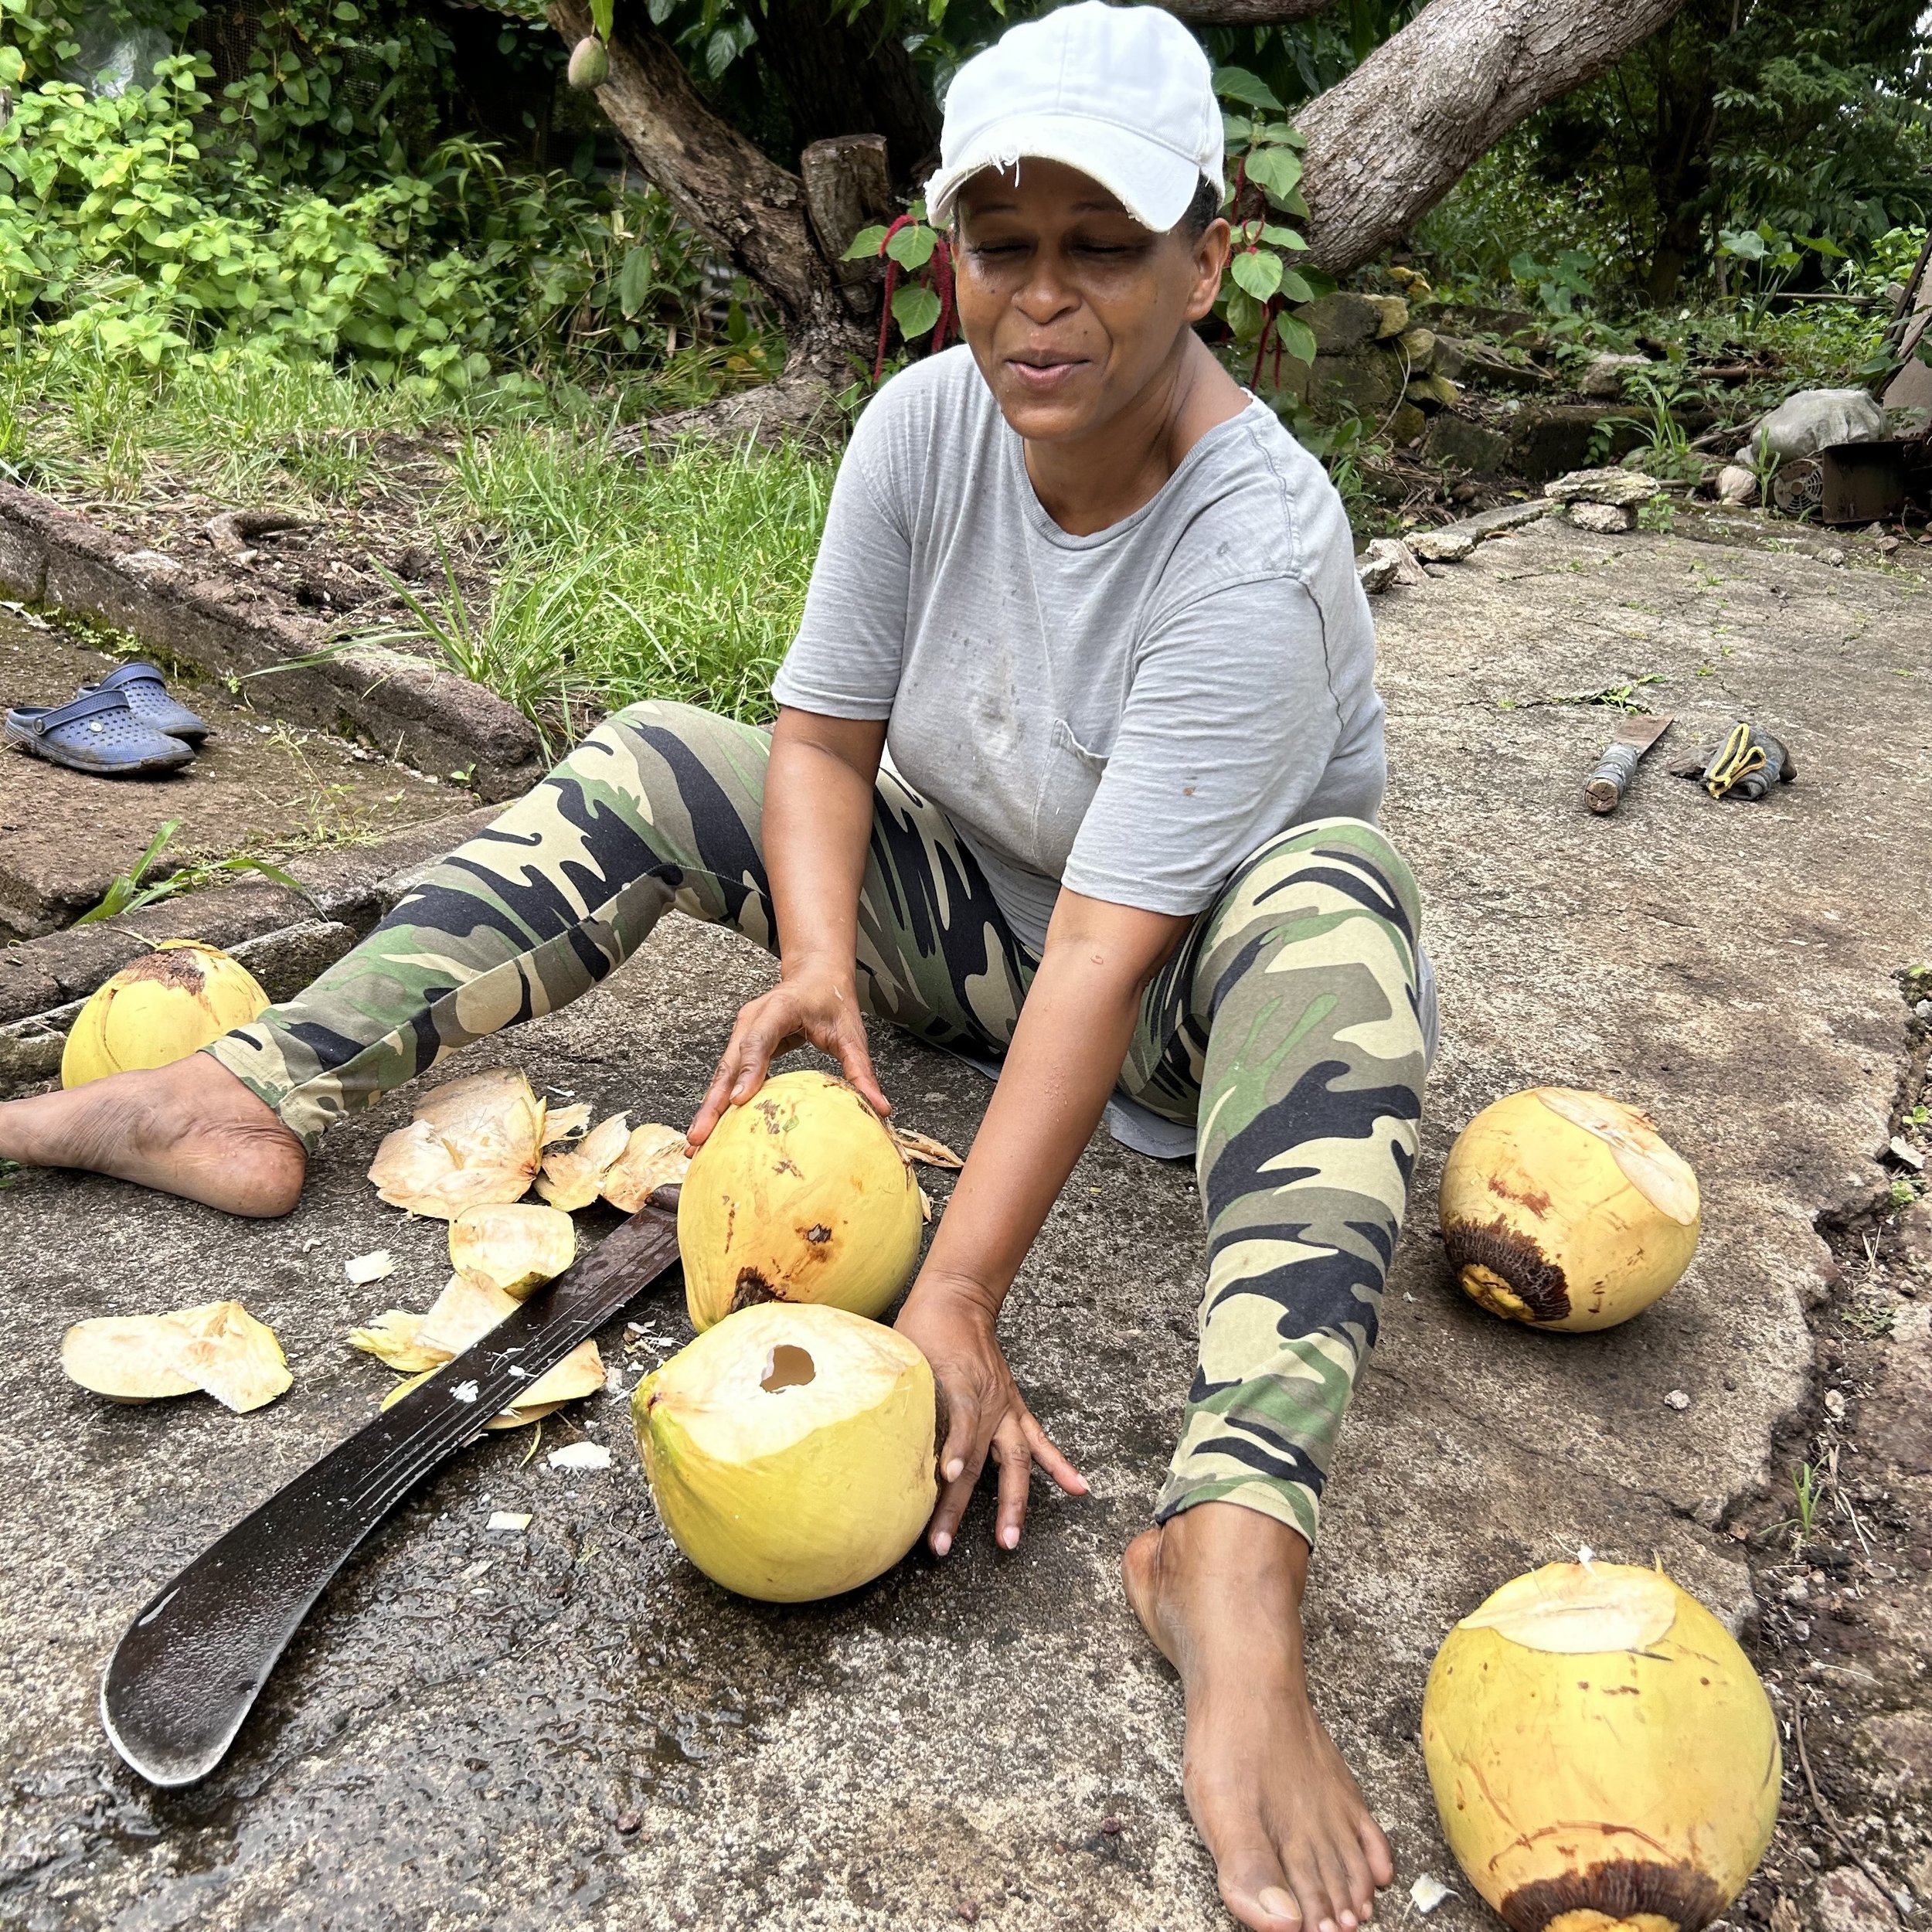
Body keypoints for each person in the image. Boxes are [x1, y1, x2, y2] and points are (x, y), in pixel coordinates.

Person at [0, 7, 1433, 1927]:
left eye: (1101, 246)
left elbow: (1106, 948)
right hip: (971, 926)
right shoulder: (926, 425)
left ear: (1202, 257)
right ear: (947, 257)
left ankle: (1234, 1544)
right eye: (997, 245)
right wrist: (828, 962)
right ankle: (256, 1086)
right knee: (665, 745)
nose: (1041, 301)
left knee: (1340, 911)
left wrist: (964, 1292)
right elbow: (822, 738)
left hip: (1183, 990)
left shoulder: (1248, 547)